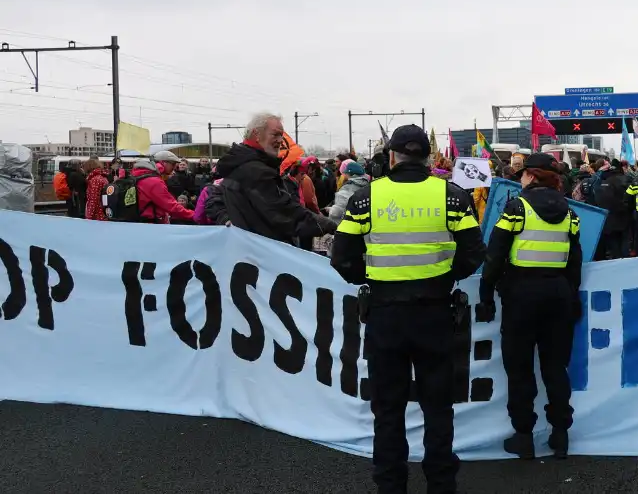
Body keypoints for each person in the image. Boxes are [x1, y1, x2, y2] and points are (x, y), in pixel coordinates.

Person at [331, 124, 485, 494]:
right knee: (437, 407)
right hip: (435, 313)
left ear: (392, 156)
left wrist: (366, 279)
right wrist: (445, 277)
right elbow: (474, 253)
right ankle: (441, 486)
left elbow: (342, 257)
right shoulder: (452, 195)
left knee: (388, 410)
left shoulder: (366, 197)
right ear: (427, 157)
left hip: (385, 315)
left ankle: (391, 486)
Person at [476, 153, 580, 460]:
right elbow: (574, 262)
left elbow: (494, 255)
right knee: (555, 367)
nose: (519, 178)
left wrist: (485, 294)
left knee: (520, 368)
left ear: (532, 177)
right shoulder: (570, 213)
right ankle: (560, 435)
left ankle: (523, 437)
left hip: (521, 296)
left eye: (522, 174)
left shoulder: (517, 208)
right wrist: (572, 297)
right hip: (559, 296)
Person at [208, 113, 336, 243]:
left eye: (281, 135)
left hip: (246, 248)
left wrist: (225, 217)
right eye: (275, 134)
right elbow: (284, 213)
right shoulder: (257, 171)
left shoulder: (238, 164)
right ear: (256, 134)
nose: (281, 140)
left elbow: (214, 197)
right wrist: (328, 225)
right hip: (263, 253)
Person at [130, 151, 194, 224]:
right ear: (163, 162)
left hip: (139, 222)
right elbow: (171, 206)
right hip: (150, 224)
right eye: (173, 164)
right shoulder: (155, 182)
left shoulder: (141, 175)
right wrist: (194, 215)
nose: (174, 168)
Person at [593, 159, 631, 260]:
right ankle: (625, 260)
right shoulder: (627, 179)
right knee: (625, 240)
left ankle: (616, 260)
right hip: (625, 216)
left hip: (610, 216)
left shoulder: (605, 182)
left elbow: (601, 200)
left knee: (614, 242)